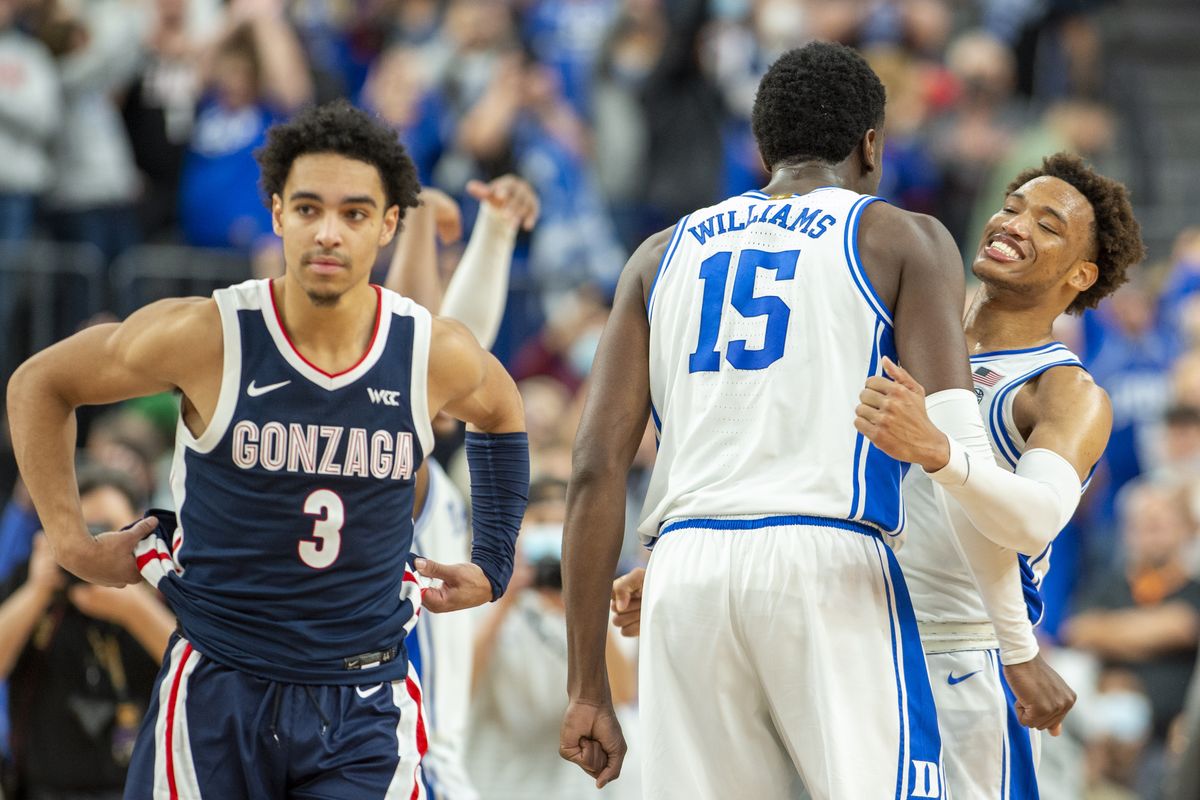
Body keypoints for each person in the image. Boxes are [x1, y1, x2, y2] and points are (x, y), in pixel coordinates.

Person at [6, 99, 529, 799]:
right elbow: (40, 383)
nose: (328, 233)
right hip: (220, 681)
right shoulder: (209, 334)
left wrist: (493, 560)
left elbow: (502, 412)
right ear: (277, 213)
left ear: (388, 225)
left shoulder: (429, 349)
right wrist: (68, 539)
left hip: (363, 695)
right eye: (308, 209)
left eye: (353, 213)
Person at [611, 152, 1146, 798]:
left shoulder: (1062, 389)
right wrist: (699, 562)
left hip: (962, 655)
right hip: (842, 629)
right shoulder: (889, 329)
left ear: (1082, 274)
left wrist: (940, 453)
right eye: (1011, 207)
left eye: (1048, 224)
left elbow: (1034, 519)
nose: (1014, 224)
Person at [561, 41, 971, 799]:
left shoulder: (657, 254)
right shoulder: (900, 237)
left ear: (760, 147)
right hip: (830, 561)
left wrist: (587, 686)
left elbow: (593, 467)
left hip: (684, 568)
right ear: (871, 146)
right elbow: (958, 449)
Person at [0, 465, 175, 800]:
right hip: (42, 789)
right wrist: (37, 592)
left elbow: (196, 674)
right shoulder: (32, 581)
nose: (97, 548)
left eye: (107, 531)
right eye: (85, 534)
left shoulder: (164, 587)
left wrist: (133, 608)